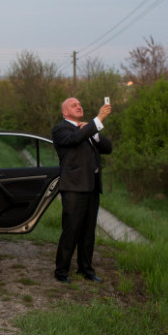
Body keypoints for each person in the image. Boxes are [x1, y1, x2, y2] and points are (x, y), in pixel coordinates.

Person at [51, 97, 113, 283]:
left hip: (92, 188)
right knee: (71, 230)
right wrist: (98, 119)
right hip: (74, 188)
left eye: (80, 104)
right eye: (74, 105)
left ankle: (86, 270)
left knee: (88, 232)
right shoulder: (61, 129)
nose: (79, 106)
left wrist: (94, 132)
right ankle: (61, 271)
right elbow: (75, 139)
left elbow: (108, 148)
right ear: (65, 112)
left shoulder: (88, 130)